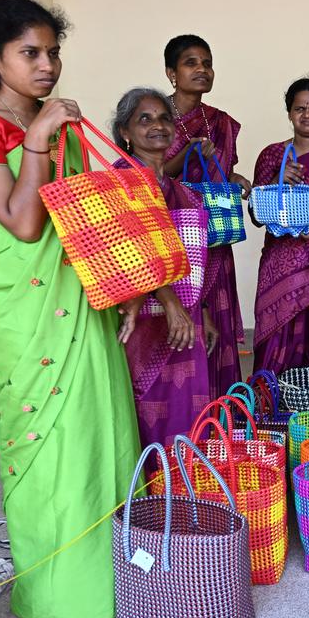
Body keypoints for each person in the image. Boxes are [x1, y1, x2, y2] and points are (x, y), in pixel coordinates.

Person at [0, 0, 140, 618]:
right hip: (27, 309)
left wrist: (123, 282)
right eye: (31, 53)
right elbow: (24, 222)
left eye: (54, 51)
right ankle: (47, 595)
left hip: (83, 294)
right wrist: (41, 138)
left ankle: (111, 582)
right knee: (44, 450)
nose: (48, 64)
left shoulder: (57, 119)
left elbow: (86, 212)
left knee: (102, 437)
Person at [111, 87, 214, 447]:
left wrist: (200, 311)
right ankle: (148, 492)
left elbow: (189, 258)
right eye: (145, 118)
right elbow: (131, 250)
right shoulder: (119, 181)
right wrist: (171, 304)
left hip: (185, 317)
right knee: (141, 407)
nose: (158, 125)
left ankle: (180, 490)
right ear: (124, 132)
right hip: (142, 320)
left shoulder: (181, 190)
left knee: (188, 410)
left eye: (164, 118)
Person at [161, 34, 246, 395]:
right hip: (174, 233)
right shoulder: (155, 117)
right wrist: (189, 154)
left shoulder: (221, 122)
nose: (202, 70)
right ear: (171, 72)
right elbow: (149, 174)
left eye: (207, 63)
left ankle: (221, 413)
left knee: (218, 321)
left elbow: (216, 175)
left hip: (214, 234)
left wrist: (234, 178)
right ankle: (181, 412)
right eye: (191, 63)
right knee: (183, 318)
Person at [251, 78, 309, 372]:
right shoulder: (271, 155)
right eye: (299, 108)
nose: (307, 114)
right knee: (276, 341)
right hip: (278, 265)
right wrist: (276, 179)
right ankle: (271, 413)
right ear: (289, 113)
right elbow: (256, 215)